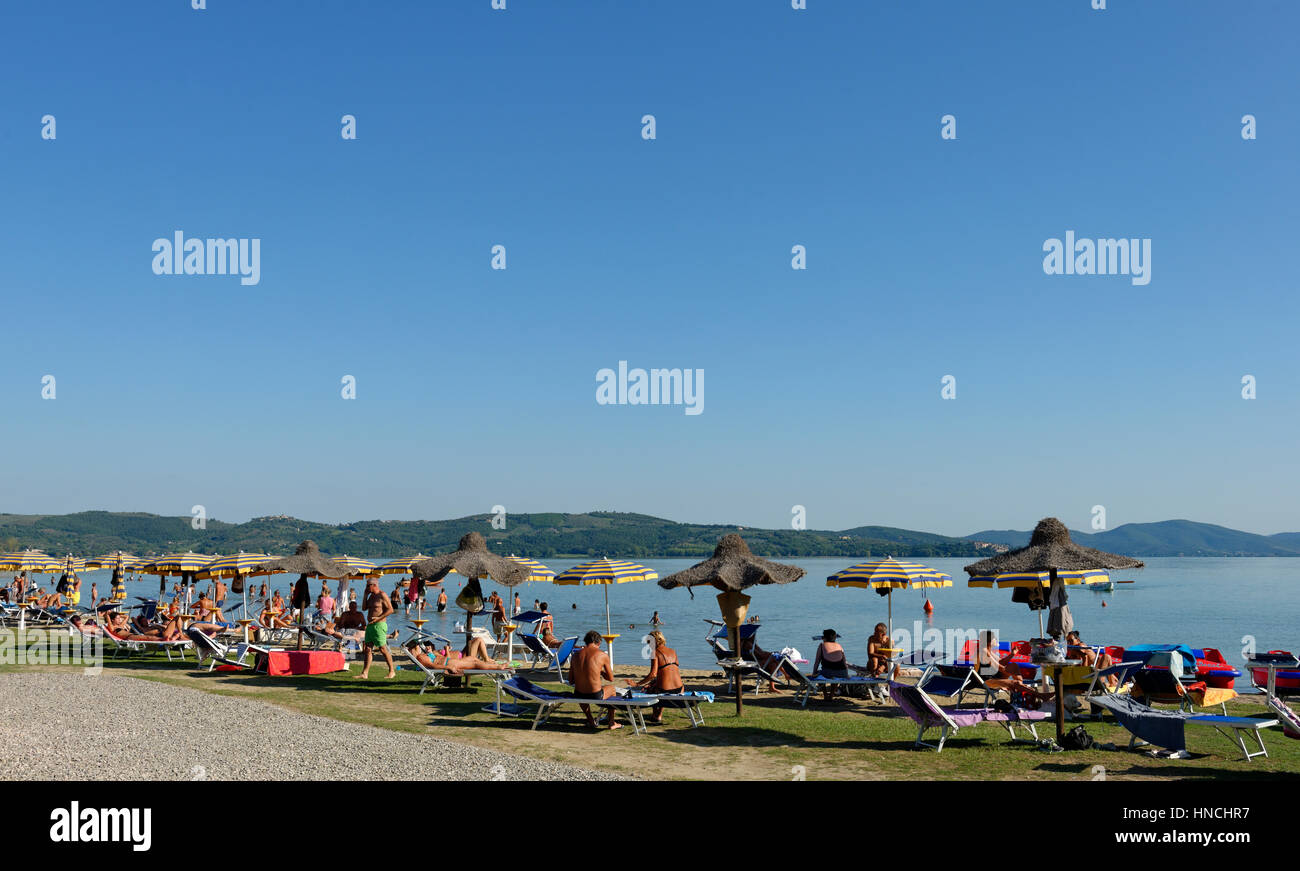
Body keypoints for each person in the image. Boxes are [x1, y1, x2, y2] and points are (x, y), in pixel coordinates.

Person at [626, 630, 683, 725]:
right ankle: (658, 714)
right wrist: (653, 683)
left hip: (665, 691)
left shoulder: (655, 653)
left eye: (649, 642)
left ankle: (656, 714)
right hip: (680, 689)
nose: (648, 645)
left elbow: (653, 674)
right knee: (654, 685)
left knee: (650, 689)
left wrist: (637, 684)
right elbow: (670, 672)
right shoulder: (673, 651)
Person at [980, 631, 1054, 703]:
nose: (996, 640)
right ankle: (1041, 696)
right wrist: (1017, 681)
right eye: (994, 638)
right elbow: (1000, 667)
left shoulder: (988, 650)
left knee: (1013, 666)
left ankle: (1020, 687)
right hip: (986, 681)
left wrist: (1012, 654)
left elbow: (1001, 662)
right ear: (989, 641)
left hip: (994, 676)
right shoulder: (984, 652)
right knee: (1015, 682)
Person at [571, 630, 619, 729]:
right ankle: (612, 722)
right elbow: (610, 678)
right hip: (595, 695)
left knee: (581, 693)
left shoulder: (575, 655)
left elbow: (571, 680)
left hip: (578, 694)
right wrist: (601, 672)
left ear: (586, 641)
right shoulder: (602, 655)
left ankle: (591, 720)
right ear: (599, 642)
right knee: (612, 689)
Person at [358, 577, 396, 679]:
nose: (366, 587)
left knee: (382, 649)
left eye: (367, 585)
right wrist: (365, 595)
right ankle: (364, 673)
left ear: (374, 585)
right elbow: (364, 608)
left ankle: (392, 671)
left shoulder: (382, 595)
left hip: (379, 625)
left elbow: (391, 610)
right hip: (370, 625)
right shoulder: (371, 596)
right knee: (368, 649)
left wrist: (379, 618)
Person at [407, 636, 505, 675]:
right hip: (448, 662)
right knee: (475, 664)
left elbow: (434, 661)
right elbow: (433, 666)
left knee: (473, 658)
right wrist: (448, 666)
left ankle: (493, 665)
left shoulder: (425, 655)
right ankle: (498, 667)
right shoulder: (421, 657)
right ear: (414, 651)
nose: (420, 647)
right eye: (417, 647)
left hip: (447, 661)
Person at [813, 629, 850, 703]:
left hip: (827, 672)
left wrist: (814, 672)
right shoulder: (839, 646)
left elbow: (817, 661)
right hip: (842, 673)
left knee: (819, 675)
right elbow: (844, 662)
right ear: (835, 638)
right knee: (836, 676)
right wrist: (846, 674)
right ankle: (831, 696)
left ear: (824, 638)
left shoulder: (822, 645)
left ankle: (826, 695)